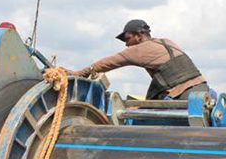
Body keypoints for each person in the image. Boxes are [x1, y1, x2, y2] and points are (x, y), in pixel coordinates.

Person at [67, 19, 209, 100]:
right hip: (203, 90)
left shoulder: (140, 49)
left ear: (139, 36)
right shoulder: (167, 41)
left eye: (128, 38)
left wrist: (78, 74)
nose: (126, 44)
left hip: (183, 96)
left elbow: (107, 63)